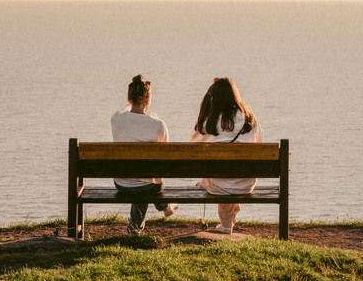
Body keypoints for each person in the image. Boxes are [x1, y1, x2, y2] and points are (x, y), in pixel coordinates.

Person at [190, 77, 262, 234]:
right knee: (230, 176)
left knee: (220, 179)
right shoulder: (250, 119)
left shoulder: (209, 121)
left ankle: (226, 225)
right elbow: (259, 145)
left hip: (219, 185)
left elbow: (194, 147)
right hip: (245, 184)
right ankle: (229, 220)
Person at [110, 74, 177, 235]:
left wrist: (132, 104)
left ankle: (135, 228)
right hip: (148, 186)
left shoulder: (116, 119)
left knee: (139, 181)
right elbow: (166, 155)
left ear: (129, 98)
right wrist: (149, 115)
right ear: (147, 98)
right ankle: (164, 206)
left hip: (121, 183)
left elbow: (124, 110)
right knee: (146, 183)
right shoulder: (158, 125)